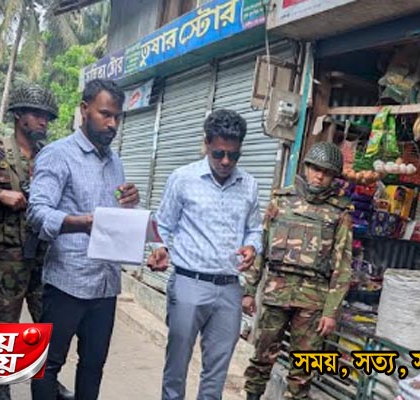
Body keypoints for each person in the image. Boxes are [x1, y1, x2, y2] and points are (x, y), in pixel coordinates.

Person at [27, 78, 140, 400]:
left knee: (93, 365)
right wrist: (79, 223)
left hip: (105, 283)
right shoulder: (58, 154)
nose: (112, 123)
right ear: (84, 109)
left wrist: (130, 202)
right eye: (105, 114)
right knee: (48, 365)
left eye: (117, 116)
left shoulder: (115, 162)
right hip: (68, 281)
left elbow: (115, 218)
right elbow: (37, 212)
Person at [0, 84, 74, 400]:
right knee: (6, 322)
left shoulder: (50, 156)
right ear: (18, 115)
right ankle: (0, 387)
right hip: (8, 254)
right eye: (37, 114)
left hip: (43, 252)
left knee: (46, 321)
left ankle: (49, 379)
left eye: (47, 117)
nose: (43, 121)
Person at [147, 109, 263, 400]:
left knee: (217, 371)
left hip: (229, 289)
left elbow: (255, 229)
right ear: (206, 144)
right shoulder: (183, 178)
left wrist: (252, 247)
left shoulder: (248, 185)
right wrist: (159, 248)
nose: (225, 161)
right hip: (189, 284)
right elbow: (162, 225)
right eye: (218, 153)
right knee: (177, 364)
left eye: (233, 155)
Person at [242, 142, 354, 400]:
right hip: (276, 293)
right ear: (306, 168)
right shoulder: (281, 201)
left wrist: (331, 311)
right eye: (316, 169)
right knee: (261, 357)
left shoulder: (339, 213)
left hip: (313, 301)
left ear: (334, 177)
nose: (319, 176)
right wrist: (248, 290)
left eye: (327, 172)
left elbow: (342, 265)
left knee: (303, 369)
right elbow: (261, 248)